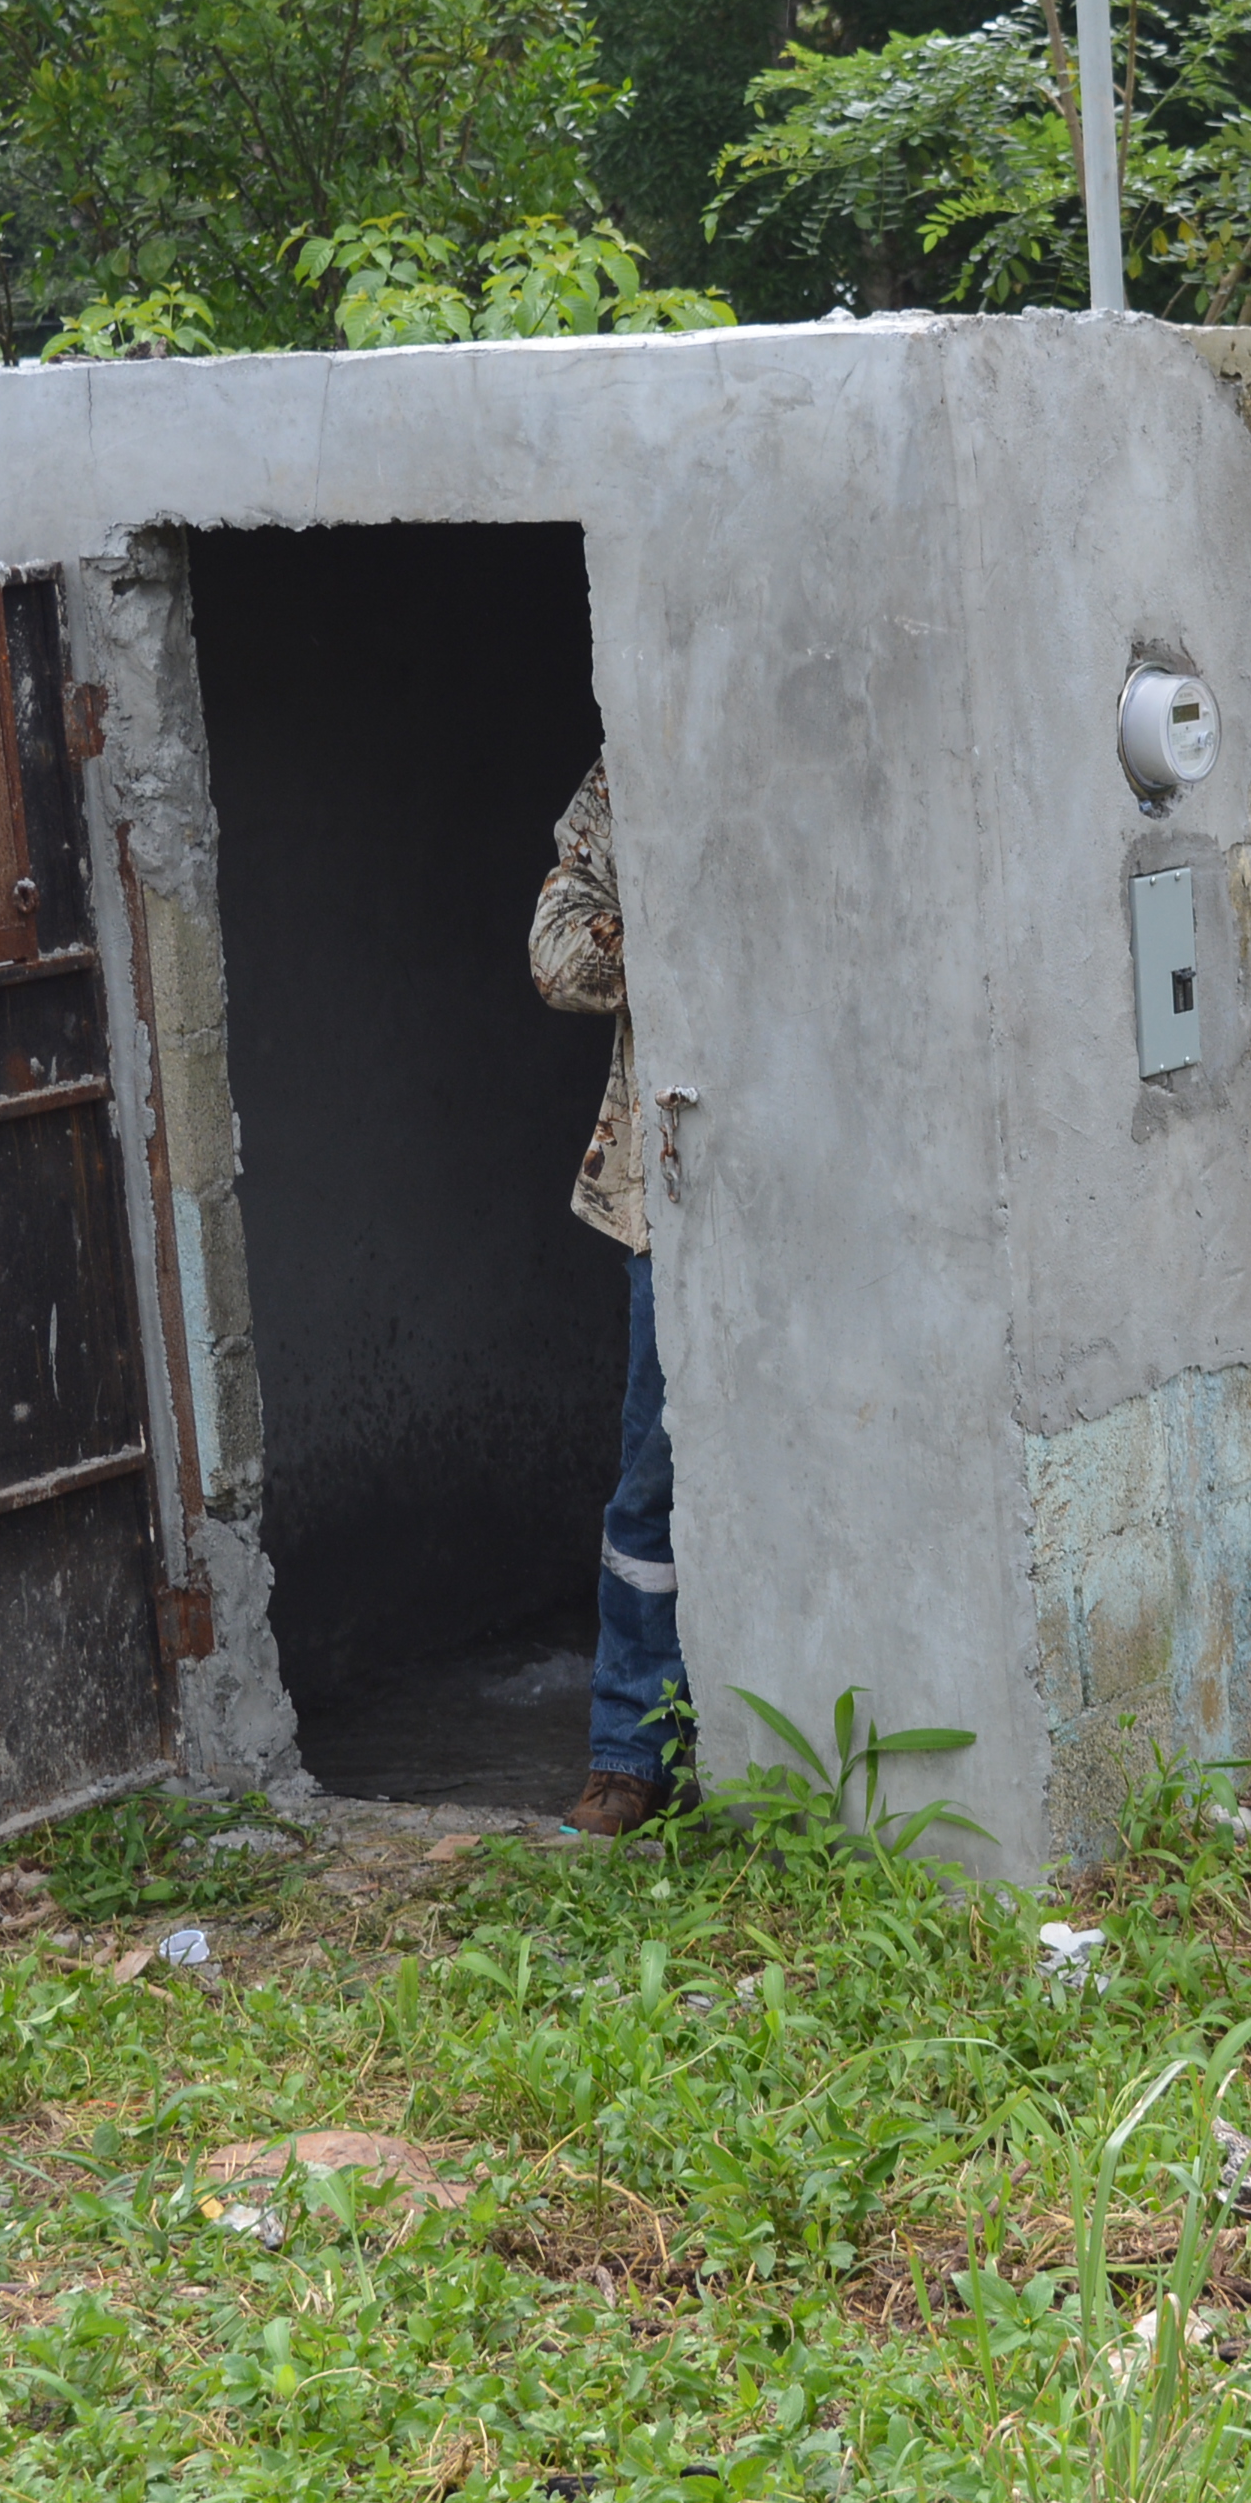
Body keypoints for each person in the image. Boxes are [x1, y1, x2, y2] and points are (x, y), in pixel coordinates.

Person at [530, 758, 688, 1834]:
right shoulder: (633, 771)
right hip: (671, 1196)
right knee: (651, 1489)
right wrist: (680, 938)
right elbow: (556, 952)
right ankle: (629, 1754)